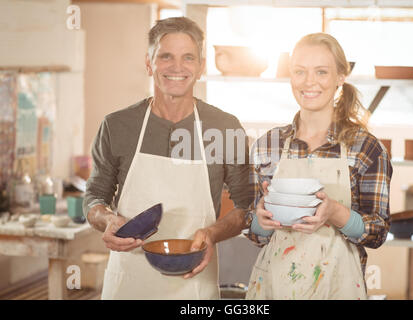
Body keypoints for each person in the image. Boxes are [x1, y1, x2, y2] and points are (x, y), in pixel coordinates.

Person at [84, 17, 254, 300]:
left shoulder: (224, 127)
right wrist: (106, 219)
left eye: (188, 58)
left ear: (200, 67)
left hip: (195, 284)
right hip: (128, 281)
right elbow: (94, 196)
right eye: (166, 57)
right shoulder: (117, 125)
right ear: (149, 63)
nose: (177, 67)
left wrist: (212, 234)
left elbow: (245, 207)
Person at [244, 33, 392, 300]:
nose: (309, 82)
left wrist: (335, 212)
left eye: (321, 72)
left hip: (337, 288)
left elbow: (378, 232)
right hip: (274, 288)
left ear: (340, 77)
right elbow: (255, 234)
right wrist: (261, 221)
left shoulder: (366, 149)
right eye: (299, 72)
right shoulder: (268, 145)